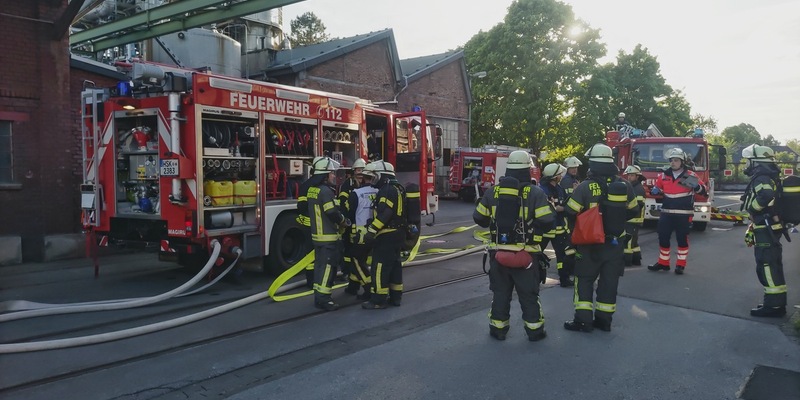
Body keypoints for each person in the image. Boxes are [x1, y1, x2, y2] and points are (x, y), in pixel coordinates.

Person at [474, 150, 555, 342]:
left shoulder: (493, 191)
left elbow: (479, 218)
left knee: (500, 294)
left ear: (508, 168)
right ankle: (535, 332)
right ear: (528, 169)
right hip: (526, 257)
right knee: (529, 295)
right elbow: (547, 221)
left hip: (499, 255)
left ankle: (498, 330)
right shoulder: (536, 193)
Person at [563, 144, 639, 333]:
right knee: (609, 282)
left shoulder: (585, 187)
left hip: (589, 244)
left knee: (585, 280)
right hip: (614, 244)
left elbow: (570, 211)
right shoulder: (625, 185)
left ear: (593, 163)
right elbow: (634, 211)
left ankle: (583, 321)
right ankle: (604, 321)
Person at [740, 144, 787, 317]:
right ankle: (776, 303)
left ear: (756, 162)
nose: (747, 165)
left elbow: (766, 195)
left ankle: (773, 307)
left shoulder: (762, 177)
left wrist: (753, 209)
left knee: (766, 265)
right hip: (770, 227)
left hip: (765, 228)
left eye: (748, 161)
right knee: (772, 264)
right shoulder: (769, 175)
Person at [647, 148, 707, 275]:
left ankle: (680, 265)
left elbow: (704, 192)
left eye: (676, 160)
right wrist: (655, 191)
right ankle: (663, 263)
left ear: (682, 161)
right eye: (671, 160)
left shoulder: (689, 175)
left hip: (683, 213)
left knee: (682, 239)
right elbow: (657, 189)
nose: (673, 163)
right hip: (666, 212)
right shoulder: (664, 175)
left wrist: (696, 186)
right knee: (663, 237)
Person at [361, 160, 407, 310]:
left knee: (380, 267)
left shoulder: (386, 190)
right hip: (398, 234)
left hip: (386, 235)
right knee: (394, 266)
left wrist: (372, 230)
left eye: (374, 176)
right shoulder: (398, 188)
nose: (372, 179)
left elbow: (386, 213)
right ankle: (396, 297)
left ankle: (377, 300)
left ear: (382, 175)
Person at [307, 157, 350, 311]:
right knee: (327, 269)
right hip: (328, 237)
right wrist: (344, 221)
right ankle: (324, 299)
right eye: (331, 173)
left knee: (319, 267)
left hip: (318, 237)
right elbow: (331, 211)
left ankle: (318, 296)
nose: (333, 176)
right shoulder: (325, 191)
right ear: (324, 175)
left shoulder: (313, 190)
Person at [343, 163, 380, 300]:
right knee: (361, 259)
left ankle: (369, 287)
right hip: (374, 233)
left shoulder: (356, 194)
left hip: (359, 235)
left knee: (356, 260)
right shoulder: (378, 192)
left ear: (363, 178)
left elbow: (350, 215)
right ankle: (353, 286)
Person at [539, 163, 573, 287]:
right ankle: (534, 278)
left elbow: (561, 204)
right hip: (545, 228)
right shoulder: (542, 190)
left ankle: (564, 279)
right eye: (559, 175)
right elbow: (551, 208)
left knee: (562, 256)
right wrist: (559, 208)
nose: (561, 176)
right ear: (554, 177)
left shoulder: (558, 188)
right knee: (537, 253)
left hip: (558, 228)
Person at [337, 158, 367, 283]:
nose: (360, 175)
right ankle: (347, 272)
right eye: (358, 172)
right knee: (348, 250)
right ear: (354, 171)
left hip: (364, 225)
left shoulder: (367, 184)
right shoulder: (347, 185)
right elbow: (343, 204)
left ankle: (358, 272)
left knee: (362, 251)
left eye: (362, 172)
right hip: (351, 224)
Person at [296, 156, 325, 287]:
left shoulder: (305, 185)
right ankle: (322, 281)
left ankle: (310, 281)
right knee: (322, 255)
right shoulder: (323, 187)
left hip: (307, 226)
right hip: (321, 227)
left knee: (309, 255)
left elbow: (301, 206)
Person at [623, 165, 646, 267]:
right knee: (634, 242)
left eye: (632, 175)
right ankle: (636, 260)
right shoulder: (633, 187)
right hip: (634, 218)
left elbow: (638, 204)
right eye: (628, 175)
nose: (629, 177)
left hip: (633, 218)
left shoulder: (638, 189)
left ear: (637, 176)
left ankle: (626, 261)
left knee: (628, 242)